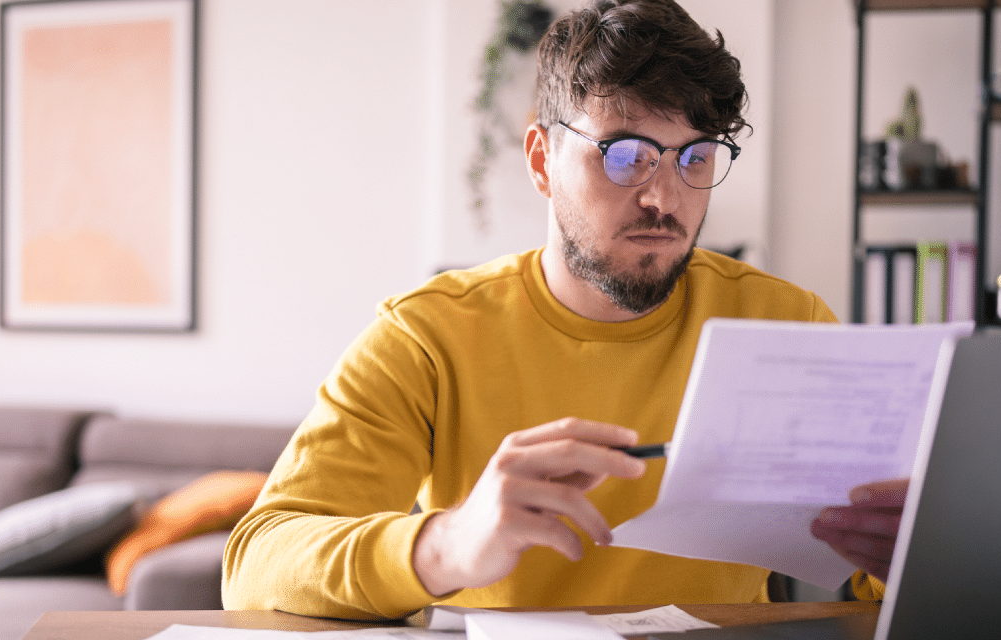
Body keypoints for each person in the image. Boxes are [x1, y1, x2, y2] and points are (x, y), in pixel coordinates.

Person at [223, 0, 906, 620]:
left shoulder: (785, 324)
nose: (664, 198)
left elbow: (879, 580)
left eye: (695, 157)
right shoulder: (426, 334)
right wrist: (447, 545)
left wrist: (908, 556)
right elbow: (256, 562)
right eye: (625, 155)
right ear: (543, 160)